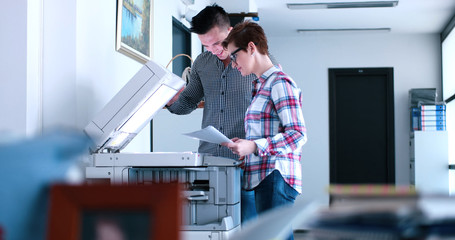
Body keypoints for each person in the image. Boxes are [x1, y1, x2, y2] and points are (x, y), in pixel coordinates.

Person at [165, 4, 279, 224]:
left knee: (250, 228)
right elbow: (189, 101)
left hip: (247, 162)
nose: (213, 50)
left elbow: (275, 110)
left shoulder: (257, 59)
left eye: (217, 43)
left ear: (230, 31)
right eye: (206, 45)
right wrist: (171, 102)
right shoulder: (202, 63)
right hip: (210, 161)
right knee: (214, 227)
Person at [221, 21, 307, 240]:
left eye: (234, 56)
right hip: (264, 177)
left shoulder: (280, 82)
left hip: (275, 176)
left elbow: (298, 134)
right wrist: (245, 144)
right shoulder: (260, 86)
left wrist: (254, 145)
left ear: (251, 47)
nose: (233, 64)